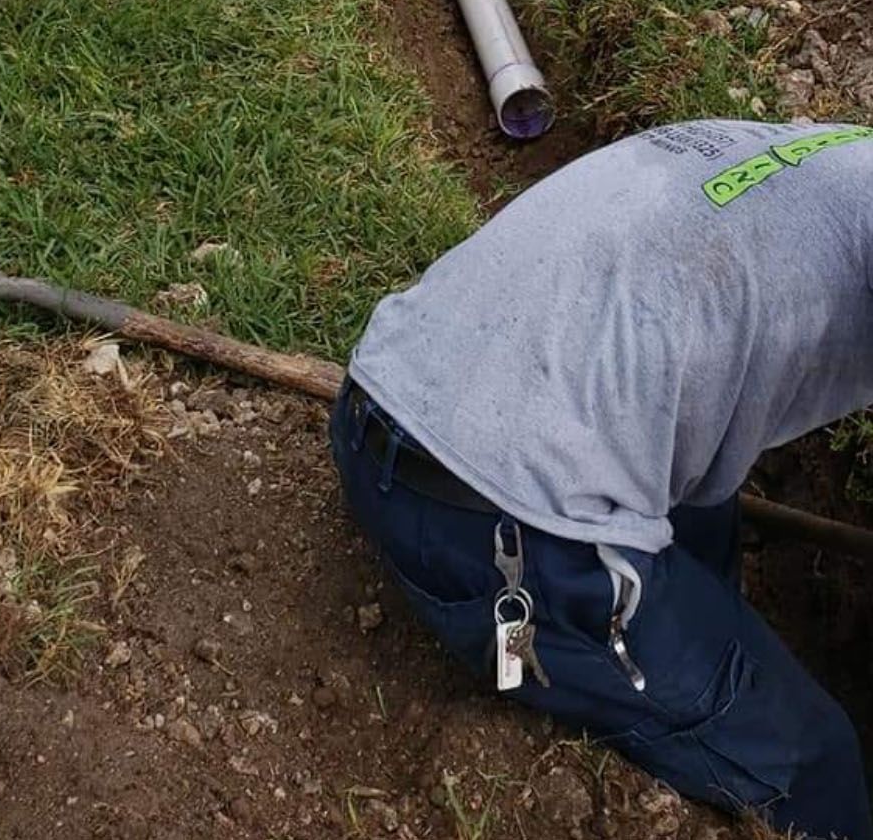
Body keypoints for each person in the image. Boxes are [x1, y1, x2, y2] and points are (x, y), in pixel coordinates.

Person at [333, 118, 873, 840]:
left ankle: (699, 647)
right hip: (497, 522)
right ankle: (614, 664)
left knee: (705, 525)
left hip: (395, 373)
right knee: (820, 762)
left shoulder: (849, 158)